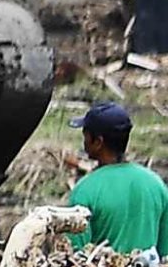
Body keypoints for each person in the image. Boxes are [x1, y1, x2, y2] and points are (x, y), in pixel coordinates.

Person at [69, 101, 166, 257]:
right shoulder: (156, 185)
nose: (84, 141)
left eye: (85, 135)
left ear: (98, 142)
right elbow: (165, 253)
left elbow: (75, 257)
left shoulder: (85, 191)